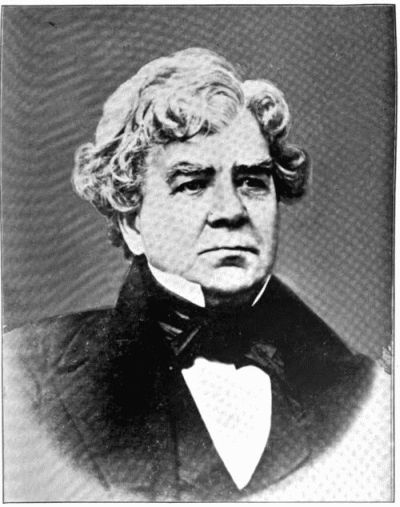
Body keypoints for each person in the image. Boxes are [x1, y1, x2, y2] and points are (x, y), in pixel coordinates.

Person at [3, 48, 391, 501]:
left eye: (252, 181)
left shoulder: (368, 394)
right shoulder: (21, 374)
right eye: (192, 184)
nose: (230, 211)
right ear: (132, 223)